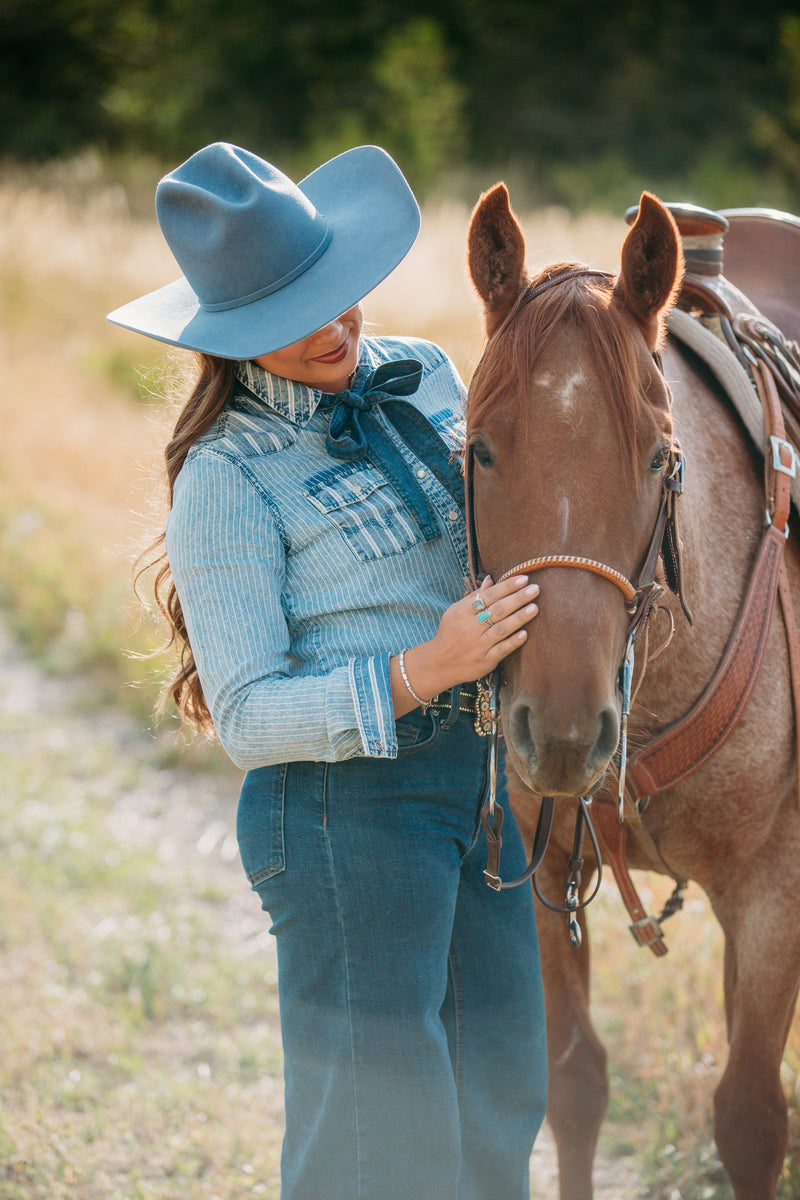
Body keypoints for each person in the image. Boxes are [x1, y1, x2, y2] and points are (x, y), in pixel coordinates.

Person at [109, 141, 547, 1200]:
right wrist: (421, 669)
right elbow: (250, 718)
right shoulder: (227, 476)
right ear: (234, 336)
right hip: (341, 811)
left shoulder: (429, 373)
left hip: (480, 791)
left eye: (337, 292)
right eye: (292, 315)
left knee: (498, 1101)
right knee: (375, 1144)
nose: (334, 325)